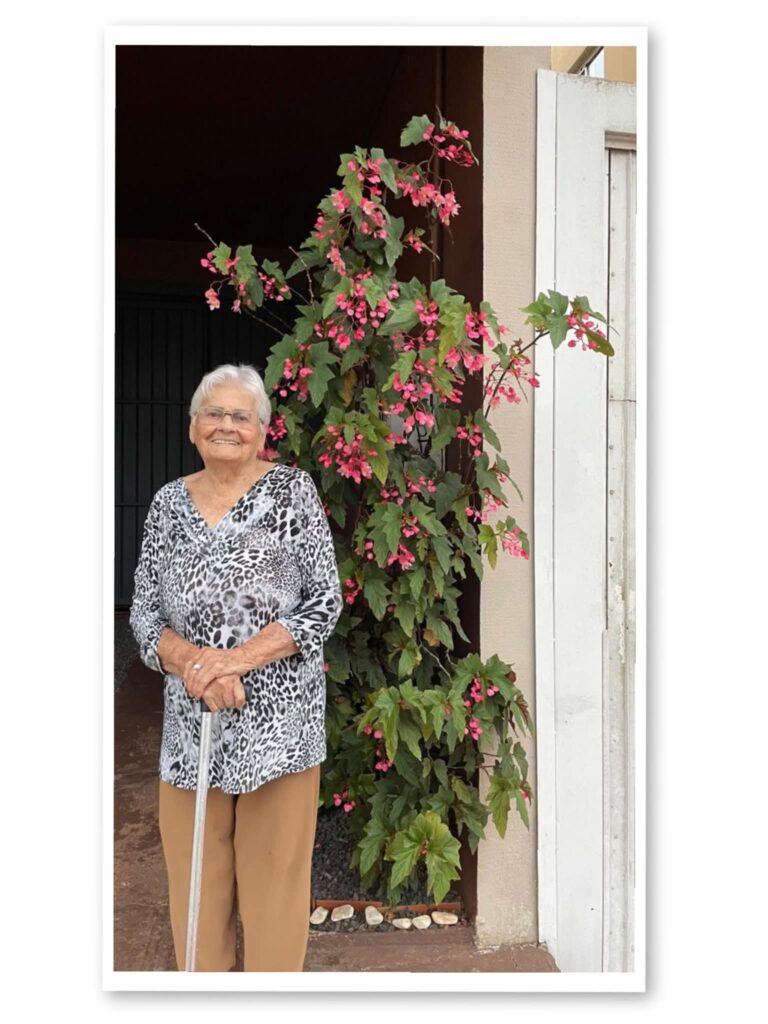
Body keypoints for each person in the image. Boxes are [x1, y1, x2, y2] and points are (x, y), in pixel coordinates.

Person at [129, 362, 343, 972]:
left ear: (262, 431)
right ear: (192, 427)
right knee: (196, 888)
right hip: (189, 729)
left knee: (274, 892)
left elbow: (323, 602)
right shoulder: (168, 504)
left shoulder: (293, 494)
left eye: (240, 416)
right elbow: (143, 613)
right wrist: (197, 664)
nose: (226, 425)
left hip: (278, 730)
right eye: (213, 413)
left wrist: (236, 662)